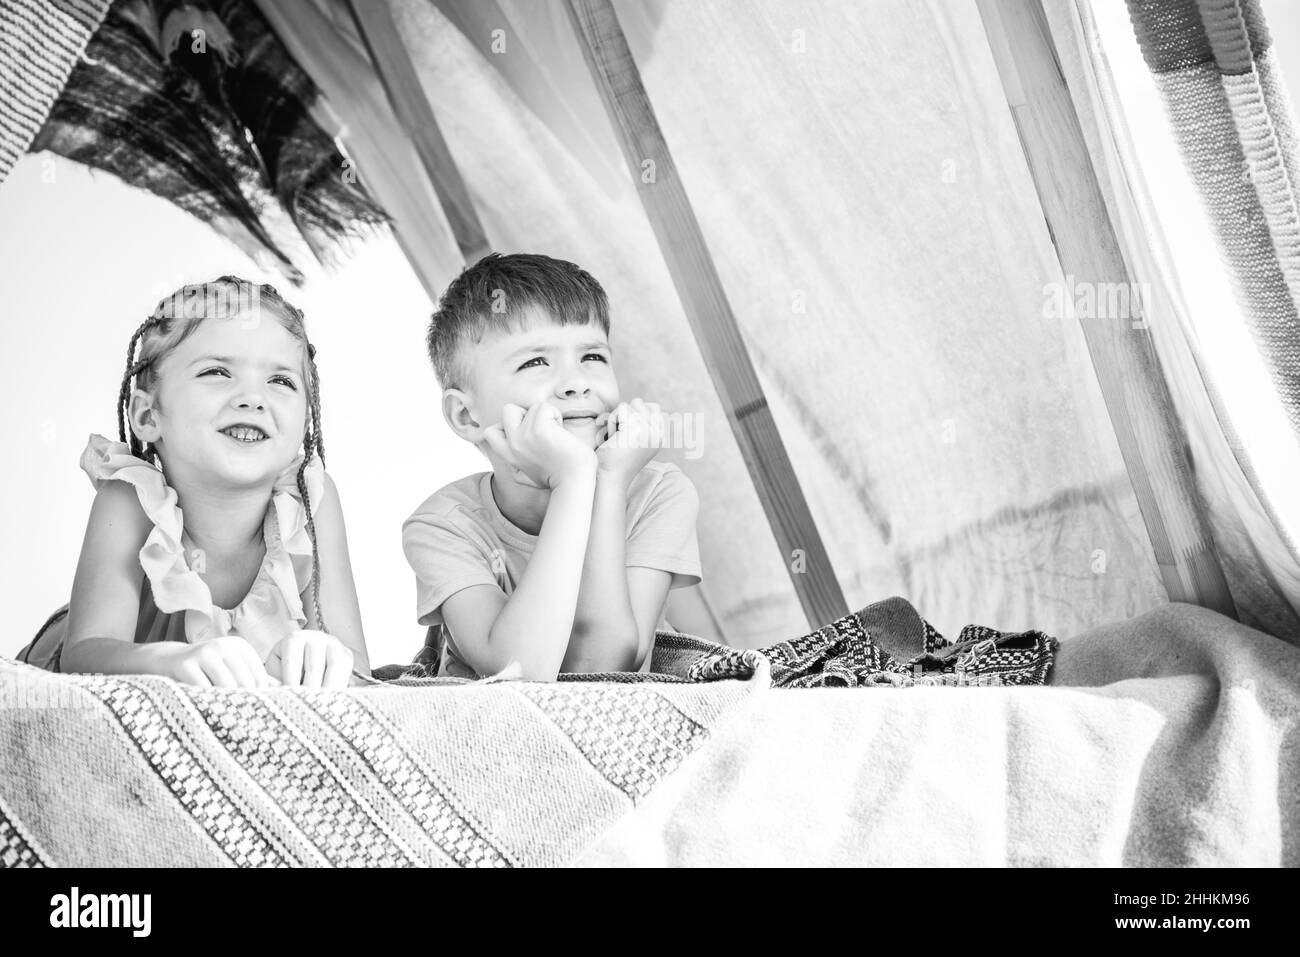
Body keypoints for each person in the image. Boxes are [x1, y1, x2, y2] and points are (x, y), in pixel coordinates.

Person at [18, 276, 369, 688]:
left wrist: (326, 656)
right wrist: (169, 662)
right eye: (218, 372)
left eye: (281, 381)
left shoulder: (312, 503)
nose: (254, 398)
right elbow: (86, 653)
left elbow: (359, 667)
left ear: (306, 419)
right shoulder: (130, 500)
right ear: (148, 417)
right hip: (85, 671)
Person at [403, 252, 702, 681]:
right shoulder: (443, 526)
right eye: (535, 362)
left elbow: (601, 667)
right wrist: (574, 480)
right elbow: (520, 674)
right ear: (466, 417)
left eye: (593, 357)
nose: (577, 382)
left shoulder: (656, 492)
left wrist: (609, 482)